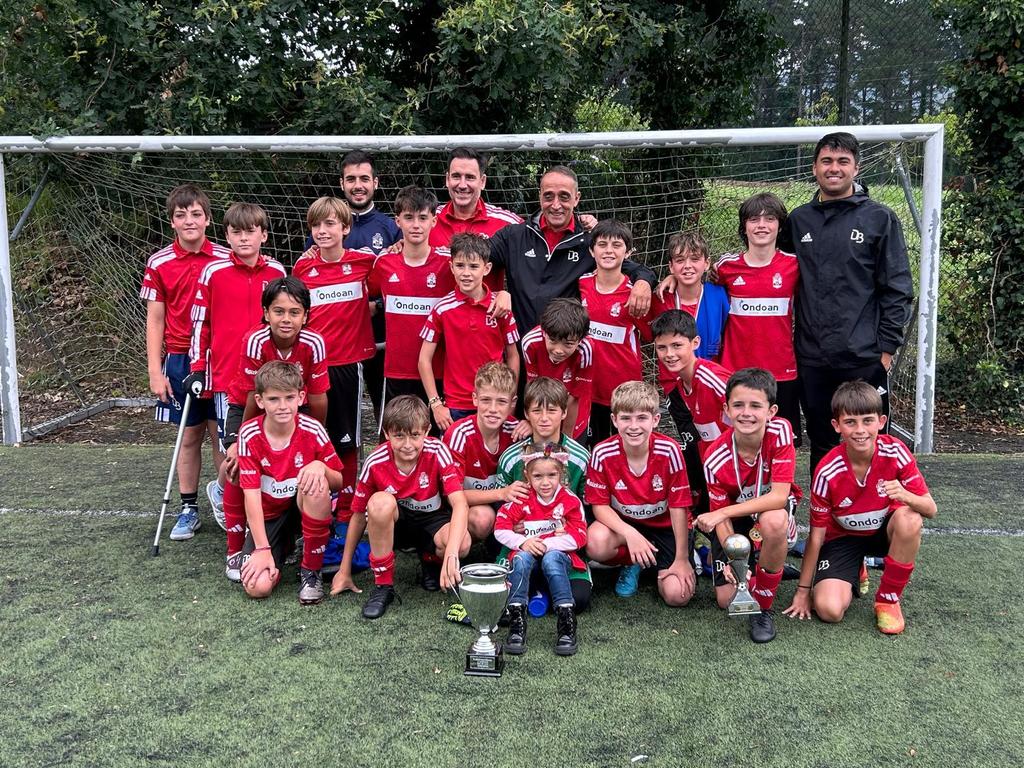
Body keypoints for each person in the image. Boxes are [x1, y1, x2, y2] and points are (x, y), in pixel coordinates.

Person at [788, 131, 914, 474]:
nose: (834, 168)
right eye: (826, 161)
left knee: (868, 440)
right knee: (823, 439)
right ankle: (825, 521)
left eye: (842, 162)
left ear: (856, 168)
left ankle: (872, 521)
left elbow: (898, 287)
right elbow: (766, 262)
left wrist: (886, 350)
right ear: (814, 168)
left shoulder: (880, 218)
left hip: (864, 357)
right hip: (812, 356)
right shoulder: (799, 220)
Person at [784, 381, 935, 634]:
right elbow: (816, 536)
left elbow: (930, 509)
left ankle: (887, 599)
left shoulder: (896, 451)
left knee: (911, 518)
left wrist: (905, 495)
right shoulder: (827, 471)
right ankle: (855, 567)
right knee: (829, 610)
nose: (860, 430)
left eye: (867, 420)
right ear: (837, 426)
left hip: (883, 533)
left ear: (881, 421)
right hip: (843, 538)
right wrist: (803, 591)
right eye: (850, 422)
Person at [185, 202, 287, 535]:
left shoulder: (277, 272)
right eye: (236, 232)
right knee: (231, 445)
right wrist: (198, 367)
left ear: (264, 235)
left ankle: (268, 509)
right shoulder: (212, 272)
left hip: (270, 377)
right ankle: (228, 497)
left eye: (251, 231)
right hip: (228, 376)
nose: (244, 238)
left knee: (270, 440)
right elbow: (200, 323)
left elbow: (287, 319)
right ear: (226, 235)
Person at [219, 277, 329, 582]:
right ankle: (234, 541)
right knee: (236, 464)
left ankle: (300, 531)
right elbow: (248, 400)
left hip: (296, 408)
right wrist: (242, 443)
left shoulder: (314, 343)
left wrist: (313, 441)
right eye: (279, 311)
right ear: (266, 312)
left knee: (305, 472)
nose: (286, 319)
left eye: (295, 312)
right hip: (250, 408)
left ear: (306, 316)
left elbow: (318, 399)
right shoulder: (255, 341)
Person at [140, 184, 229, 541]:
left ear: (208, 219)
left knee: (223, 437)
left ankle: (229, 501)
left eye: (196, 214)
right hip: (180, 361)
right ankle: (189, 508)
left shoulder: (226, 257)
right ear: (172, 221)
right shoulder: (159, 262)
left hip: (221, 359)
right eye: (181, 215)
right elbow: (155, 319)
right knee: (189, 435)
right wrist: (154, 370)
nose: (189, 221)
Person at [334, 396, 470, 619]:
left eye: (415, 435)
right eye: (399, 436)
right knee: (379, 503)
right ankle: (383, 587)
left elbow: (460, 504)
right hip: (397, 525)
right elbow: (358, 516)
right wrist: (344, 568)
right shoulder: (375, 461)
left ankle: (430, 561)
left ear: (426, 431)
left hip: (432, 521)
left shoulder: (438, 451)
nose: (408, 445)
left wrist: (452, 554)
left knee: (462, 542)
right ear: (387, 434)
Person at [697, 368, 802, 644]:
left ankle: (763, 608)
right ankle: (764, 566)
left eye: (756, 406)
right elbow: (721, 521)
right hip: (736, 521)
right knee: (725, 599)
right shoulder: (714, 457)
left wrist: (722, 511)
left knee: (775, 521)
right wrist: (733, 558)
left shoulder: (780, 432)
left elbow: (779, 496)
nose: (747, 413)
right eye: (738, 405)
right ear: (726, 409)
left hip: (769, 510)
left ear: (772, 411)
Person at [487, 165, 657, 333]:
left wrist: (643, 282)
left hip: (566, 351)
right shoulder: (513, 236)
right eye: (548, 196)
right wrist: (499, 293)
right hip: (520, 349)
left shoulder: (589, 242)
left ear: (576, 198)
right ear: (539, 196)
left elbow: (636, 269)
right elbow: (473, 257)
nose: (555, 205)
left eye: (564, 197)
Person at [292, 196, 375, 526]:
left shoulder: (363, 263)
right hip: (311, 366)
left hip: (347, 366)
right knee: (312, 434)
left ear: (345, 227)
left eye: (330, 224)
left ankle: (345, 512)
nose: (322, 231)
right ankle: (311, 502)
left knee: (347, 440)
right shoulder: (303, 267)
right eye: (316, 224)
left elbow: (389, 275)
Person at [235, 361, 344, 605]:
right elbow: (250, 495)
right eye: (274, 399)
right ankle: (284, 548)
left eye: (289, 397)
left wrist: (321, 467)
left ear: (301, 397)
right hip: (269, 515)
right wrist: (262, 549)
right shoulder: (249, 434)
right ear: (260, 401)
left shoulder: (313, 428)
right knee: (258, 587)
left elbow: (338, 481)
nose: (283, 406)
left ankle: (310, 571)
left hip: (303, 506)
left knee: (317, 484)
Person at [585, 381, 695, 607]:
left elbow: (679, 505)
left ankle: (659, 558)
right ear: (614, 420)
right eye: (625, 418)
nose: (633, 426)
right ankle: (632, 561)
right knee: (595, 541)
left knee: (677, 595)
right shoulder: (602, 452)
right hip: (626, 527)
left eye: (642, 418)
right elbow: (599, 506)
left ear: (655, 419)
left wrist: (682, 558)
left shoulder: (669, 450)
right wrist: (630, 533)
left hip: (666, 528)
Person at [716, 192, 801, 442]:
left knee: (783, 440)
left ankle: (780, 483)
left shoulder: (795, 266)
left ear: (780, 225)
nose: (762, 225)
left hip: (782, 371)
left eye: (770, 219)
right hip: (735, 370)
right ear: (744, 226)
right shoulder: (725, 267)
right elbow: (692, 281)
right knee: (737, 439)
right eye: (754, 219)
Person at [367, 185, 454, 418]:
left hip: (439, 372)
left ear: (433, 222)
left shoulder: (449, 264)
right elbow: (369, 293)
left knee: (436, 443)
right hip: (397, 371)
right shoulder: (384, 262)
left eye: (423, 218)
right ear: (398, 221)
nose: (416, 225)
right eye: (409, 217)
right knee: (397, 439)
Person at [418, 233, 520, 431]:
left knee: (494, 458)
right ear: (451, 267)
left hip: (493, 403)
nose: (466, 273)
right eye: (460, 265)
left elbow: (513, 356)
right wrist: (436, 404)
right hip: (456, 405)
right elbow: (424, 359)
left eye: (473, 267)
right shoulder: (442, 309)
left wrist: (509, 399)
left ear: (487, 268)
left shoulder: (500, 308)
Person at [495, 442, 587, 656]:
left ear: (562, 473)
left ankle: (566, 623)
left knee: (552, 558)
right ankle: (517, 621)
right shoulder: (521, 498)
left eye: (551, 475)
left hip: (555, 559)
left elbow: (580, 535)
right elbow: (500, 528)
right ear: (527, 475)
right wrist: (522, 542)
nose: (545, 482)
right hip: (527, 558)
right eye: (538, 476)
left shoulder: (570, 501)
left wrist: (548, 544)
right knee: (521, 558)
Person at [578, 219, 652, 445]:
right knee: (594, 448)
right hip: (588, 388)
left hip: (624, 389)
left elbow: (651, 335)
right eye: (602, 244)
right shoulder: (581, 285)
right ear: (592, 250)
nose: (609, 250)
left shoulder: (635, 294)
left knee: (625, 447)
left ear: (627, 251)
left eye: (617, 245)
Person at [443, 362, 522, 552]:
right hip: (456, 507)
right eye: (486, 400)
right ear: (475, 399)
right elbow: (451, 496)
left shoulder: (517, 431)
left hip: (498, 504)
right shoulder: (459, 434)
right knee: (482, 519)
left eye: (502, 402)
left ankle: (496, 545)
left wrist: (532, 427)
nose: (493, 409)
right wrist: (501, 493)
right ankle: (435, 558)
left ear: (513, 403)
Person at [429, 147, 522, 292]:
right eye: (456, 176)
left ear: (482, 181)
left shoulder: (507, 223)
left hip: (486, 314)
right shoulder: (428, 221)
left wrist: (508, 295)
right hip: (437, 313)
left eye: (470, 177)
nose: (462, 185)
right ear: (447, 179)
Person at [652, 310, 732, 456]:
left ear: (695, 343)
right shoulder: (681, 385)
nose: (669, 354)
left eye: (677, 345)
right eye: (662, 347)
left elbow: (755, 417)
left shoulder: (711, 378)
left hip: (737, 464)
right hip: (713, 463)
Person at [520, 297, 593, 441]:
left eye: (568, 344)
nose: (558, 350)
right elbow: (533, 388)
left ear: (580, 339)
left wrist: (567, 440)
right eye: (552, 341)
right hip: (543, 411)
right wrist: (533, 423)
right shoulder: (530, 343)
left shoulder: (586, 349)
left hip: (574, 415)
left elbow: (576, 397)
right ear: (544, 332)